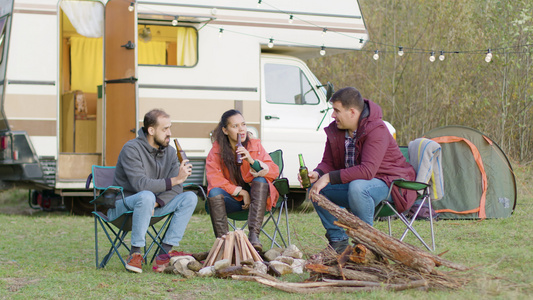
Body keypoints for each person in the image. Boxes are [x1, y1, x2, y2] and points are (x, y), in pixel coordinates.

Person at [300, 87, 416, 254]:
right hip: (358, 182)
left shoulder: (377, 129)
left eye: (336, 110)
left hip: (391, 182)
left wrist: (328, 177)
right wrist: (318, 174)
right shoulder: (336, 129)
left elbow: (368, 171)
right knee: (316, 188)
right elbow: (329, 162)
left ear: (352, 112)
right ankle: (338, 242)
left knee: (358, 187)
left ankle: (365, 245)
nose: (333, 115)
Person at [107, 109, 198, 273]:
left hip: (151, 206)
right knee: (146, 195)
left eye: (170, 128)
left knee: (190, 197)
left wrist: (158, 202)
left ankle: (164, 254)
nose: (169, 133)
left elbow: (177, 188)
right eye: (165, 129)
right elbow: (140, 185)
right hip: (123, 207)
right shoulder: (131, 149)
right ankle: (135, 253)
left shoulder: (170, 152)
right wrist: (176, 179)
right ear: (151, 130)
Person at [205, 109, 279, 252]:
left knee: (261, 180)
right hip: (233, 201)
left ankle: (253, 237)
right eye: (235, 126)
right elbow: (214, 180)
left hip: (258, 200)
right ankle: (224, 243)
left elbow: (274, 171)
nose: (241, 130)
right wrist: (241, 192)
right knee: (214, 192)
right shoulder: (216, 151)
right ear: (225, 130)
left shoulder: (254, 146)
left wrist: (251, 161)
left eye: (243, 124)